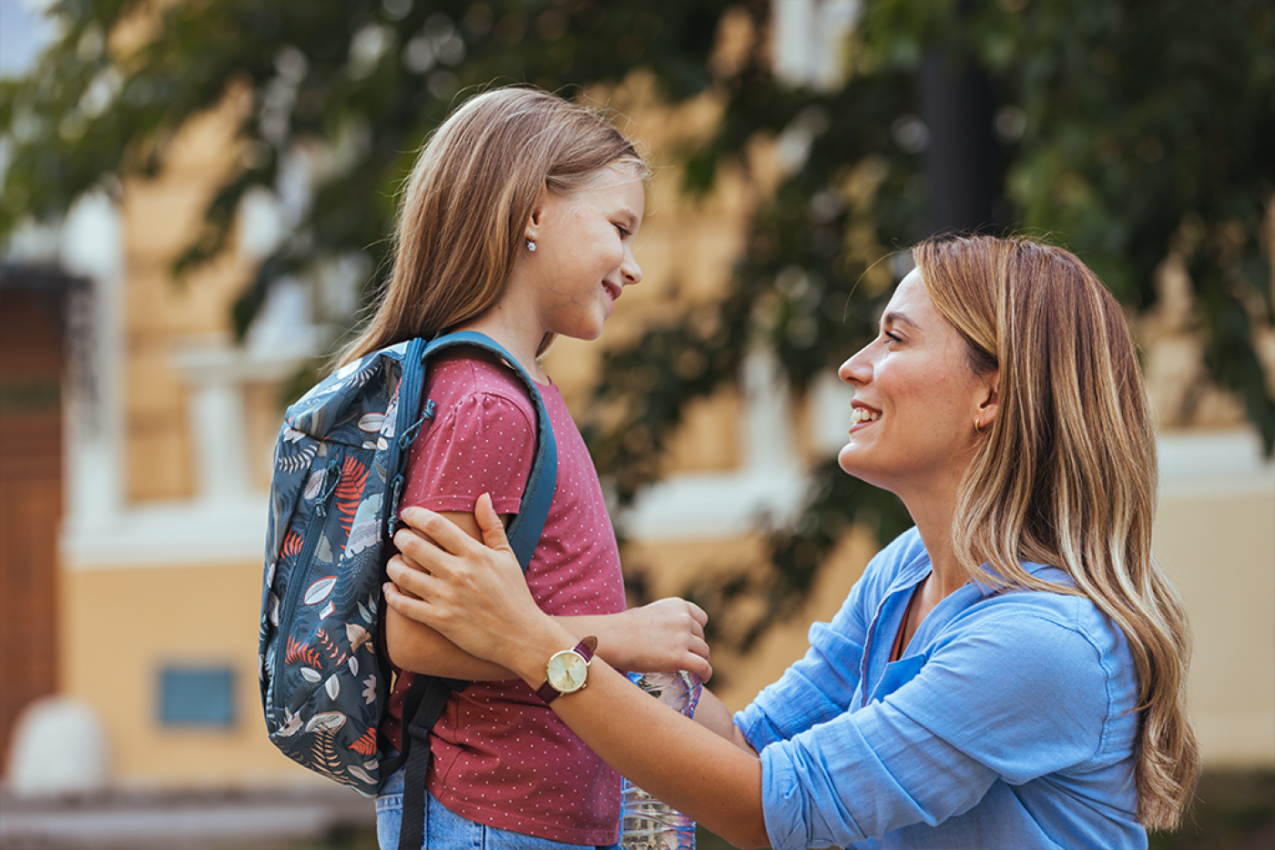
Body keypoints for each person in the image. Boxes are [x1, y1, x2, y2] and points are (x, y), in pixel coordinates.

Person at [382, 233, 1202, 849]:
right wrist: (612, 640)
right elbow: (747, 746)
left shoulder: (1037, 642)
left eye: (895, 338)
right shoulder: (905, 574)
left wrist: (538, 648)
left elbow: (776, 809)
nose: (853, 365)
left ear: (990, 394)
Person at [337, 86, 712, 850]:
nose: (633, 266)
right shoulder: (486, 404)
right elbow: (413, 637)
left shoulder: (520, 392)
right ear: (533, 212)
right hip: (489, 819)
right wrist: (625, 636)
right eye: (618, 228)